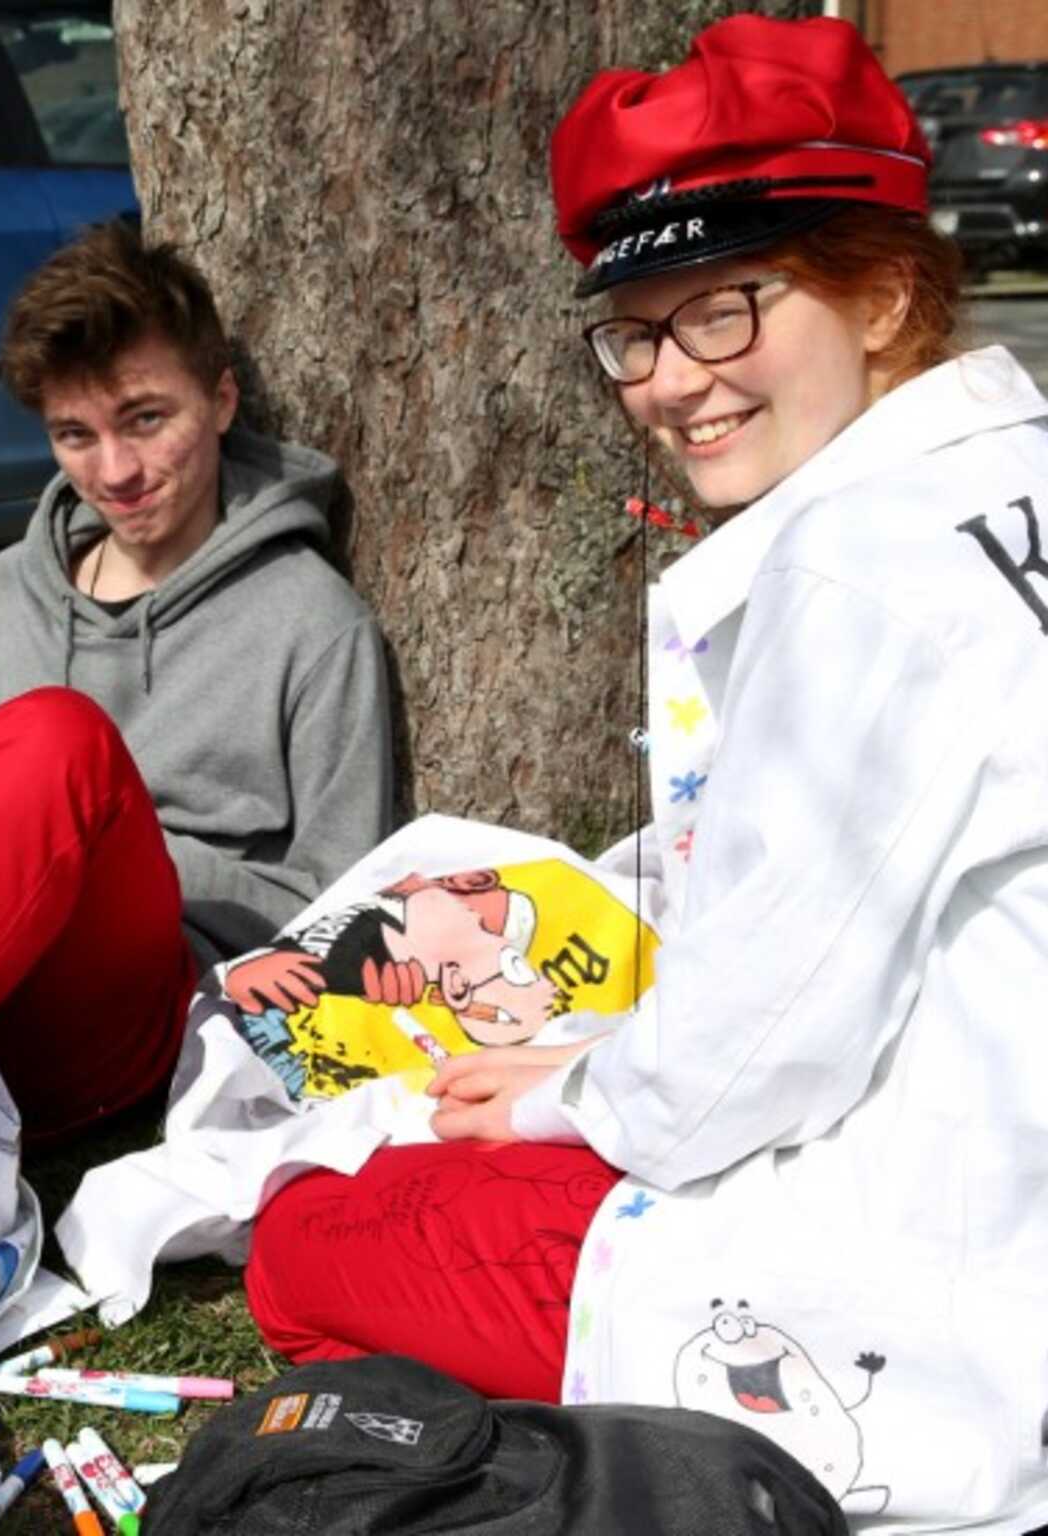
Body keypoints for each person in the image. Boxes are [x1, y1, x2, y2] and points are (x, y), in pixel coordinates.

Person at [244, 16, 1048, 1528]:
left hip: (947, 1267)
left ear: (884, 294)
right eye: (636, 334)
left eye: (725, 313)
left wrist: (567, 1096)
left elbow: (756, 1056)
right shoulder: (1010, 472)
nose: (673, 382)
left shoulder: (860, 569)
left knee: (305, 1244)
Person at [0, 219, 394, 1137]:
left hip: (145, 1017)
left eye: (145, 419)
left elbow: (339, 911)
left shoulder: (313, 623)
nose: (116, 472)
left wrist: (96, 839)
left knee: (52, 735)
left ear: (221, 400)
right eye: (75, 435)